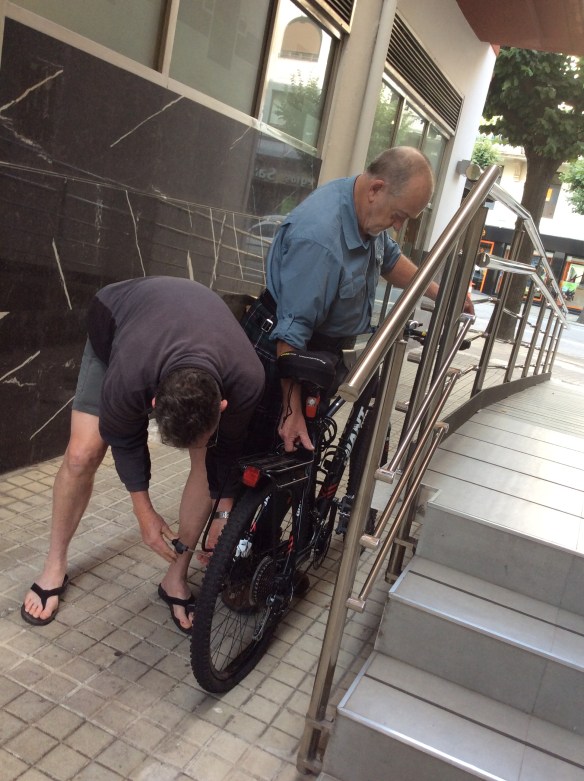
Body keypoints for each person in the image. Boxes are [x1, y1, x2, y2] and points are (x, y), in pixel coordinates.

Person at [21, 277, 264, 633]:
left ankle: (175, 578)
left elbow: (227, 450)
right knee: (82, 454)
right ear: (152, 402)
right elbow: (124, 438)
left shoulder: (248, 379)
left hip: (195, 327)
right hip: (118, 318)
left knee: (205, 460)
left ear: (223, 405)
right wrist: (144, 512)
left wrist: (223, 513)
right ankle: (54, 564)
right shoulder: (129, 376)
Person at [241, 146, 474, 456]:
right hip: (283, 352)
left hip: (321, 348)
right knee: (263, 458)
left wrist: (440, 292)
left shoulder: (364, 208)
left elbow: (388, 259)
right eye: (399, 215)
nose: (397, 226)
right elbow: (291, 336)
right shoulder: (321, 239)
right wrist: (290, 411)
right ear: (377, 189)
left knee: (295, 462)